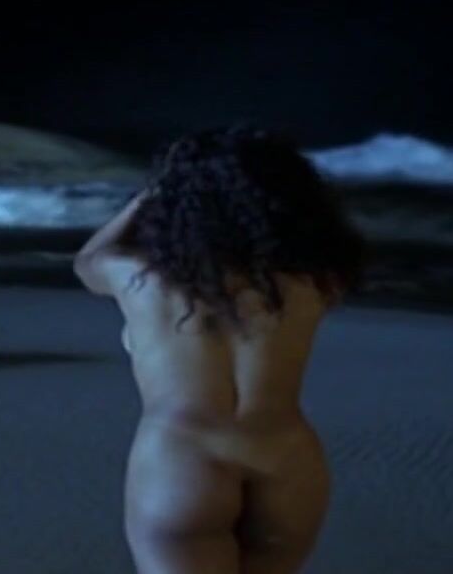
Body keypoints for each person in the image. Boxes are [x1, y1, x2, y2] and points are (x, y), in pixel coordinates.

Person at [73, 126, 365, 574]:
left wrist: (155, 193)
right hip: (286, 460)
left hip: (183, 461)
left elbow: (88, 261)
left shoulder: (140, 277)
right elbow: (331, 242)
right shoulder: (315, 281)